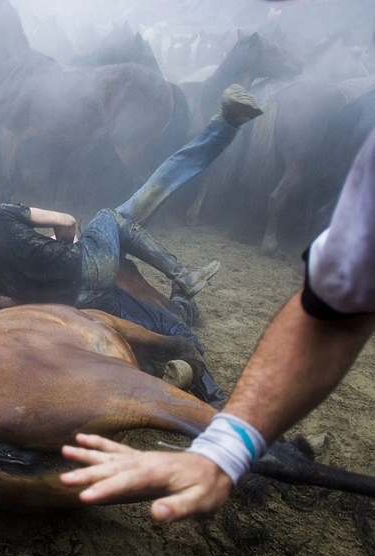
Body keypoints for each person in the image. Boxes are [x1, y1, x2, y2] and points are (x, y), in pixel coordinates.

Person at [59, 110, 375, 524]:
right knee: (136, 228)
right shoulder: (96, 241)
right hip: (106, 291)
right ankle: (181, 287)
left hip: (110, 297)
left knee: (174, 312)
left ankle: (179, 320)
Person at [0, 85, 265, 406]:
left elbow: (8, 308)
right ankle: (181, 272)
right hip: (89, 263)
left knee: (158, 324)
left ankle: (212, 392)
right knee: (122, 210)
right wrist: (64, 244)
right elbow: (65, 221)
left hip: (82, 302)